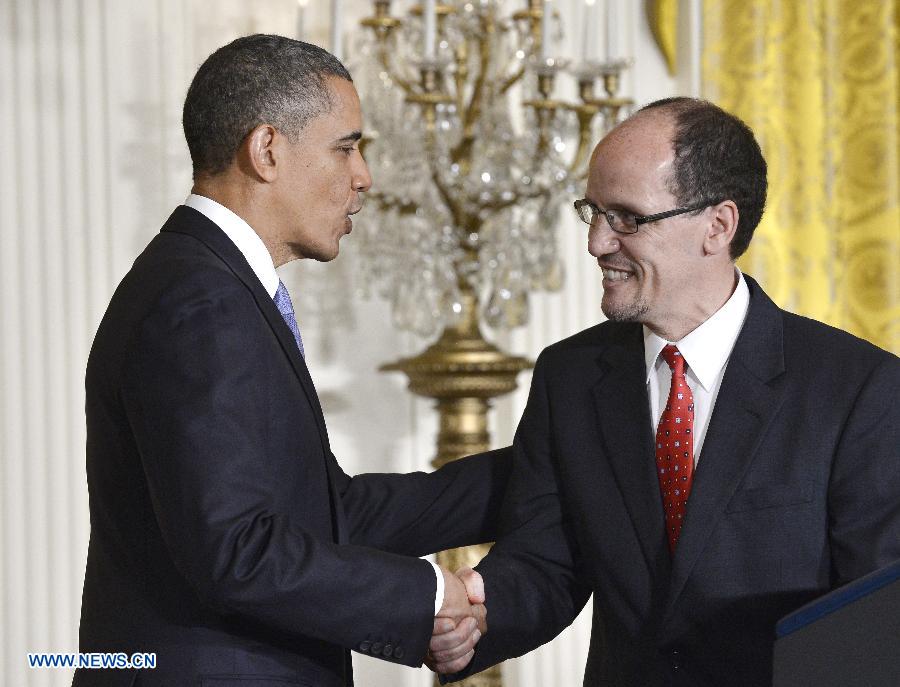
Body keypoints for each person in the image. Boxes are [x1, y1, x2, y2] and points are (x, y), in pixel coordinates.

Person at [74, 34, 506, 687]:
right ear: (267, 149)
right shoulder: (202, 302)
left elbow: (331, 512)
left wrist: (543, 472)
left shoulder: (214, 284)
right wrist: (422, 593)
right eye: (346, 147)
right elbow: (237, 550)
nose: (363, 176)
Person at [437, 97, 900, 686]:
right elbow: (546, 560)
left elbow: (876, 621)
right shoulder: (570, 376)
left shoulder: (859, 390)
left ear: (718, 225)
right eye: (593, 212)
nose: (597, 243)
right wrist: (479, 618)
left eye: (627, 218)